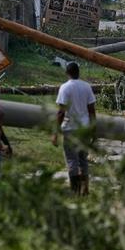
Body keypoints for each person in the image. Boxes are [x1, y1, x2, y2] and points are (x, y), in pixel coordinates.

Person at [52, 62, 97, 195]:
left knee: (72, 160)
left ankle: (75, 191)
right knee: (83, 160)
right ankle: (85, 188)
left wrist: (55, 132)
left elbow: (61, 112)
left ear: (67, 73)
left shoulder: (65, 88)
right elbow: (92, 110)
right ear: (78, 72)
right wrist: (93, 130)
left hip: (70, 129)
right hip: (84, 128)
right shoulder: (86, 86)